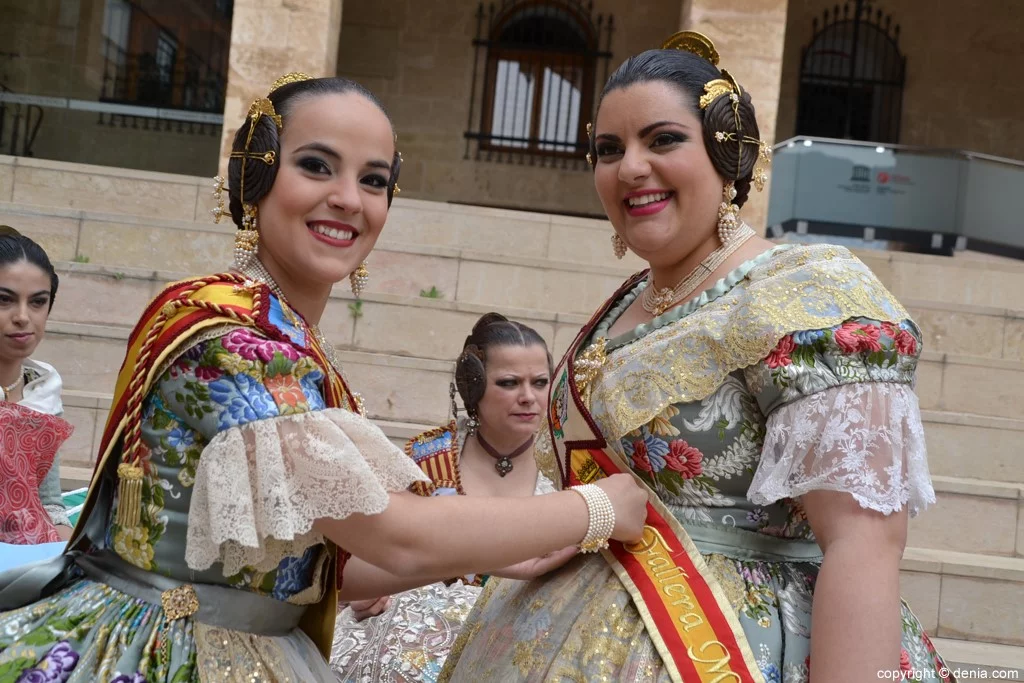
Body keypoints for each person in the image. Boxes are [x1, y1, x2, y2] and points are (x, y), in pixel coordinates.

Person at [0, 75, 647, 681]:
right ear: (255, 175)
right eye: (316, 165)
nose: (346, 197)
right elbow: (396, 537)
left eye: (373, 179)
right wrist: (597, 507)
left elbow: (308, 564)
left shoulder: (289, 338)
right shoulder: (233, 336)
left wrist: (503, 553)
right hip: (168, 652)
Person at [440, 32, 953, 683]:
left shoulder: (809, 290)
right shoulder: (626, 302)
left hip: (741, 648)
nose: (629, 167)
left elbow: (865, 543)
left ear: (727, 152)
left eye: (662, 140)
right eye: (608, 148)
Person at [332, 312, 577, 682]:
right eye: (510, 383)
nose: (528, 397)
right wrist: (367, 594)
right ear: (472, 386)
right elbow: (370, 557)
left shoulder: (569, 468)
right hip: (413, 641)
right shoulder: (425, 462)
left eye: (540, 382)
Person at [0, 226, 75, 546]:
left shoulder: (44, 391)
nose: (22, 317)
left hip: (24, 551)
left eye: (37, 302)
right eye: (4, 300)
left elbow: (48, 502)